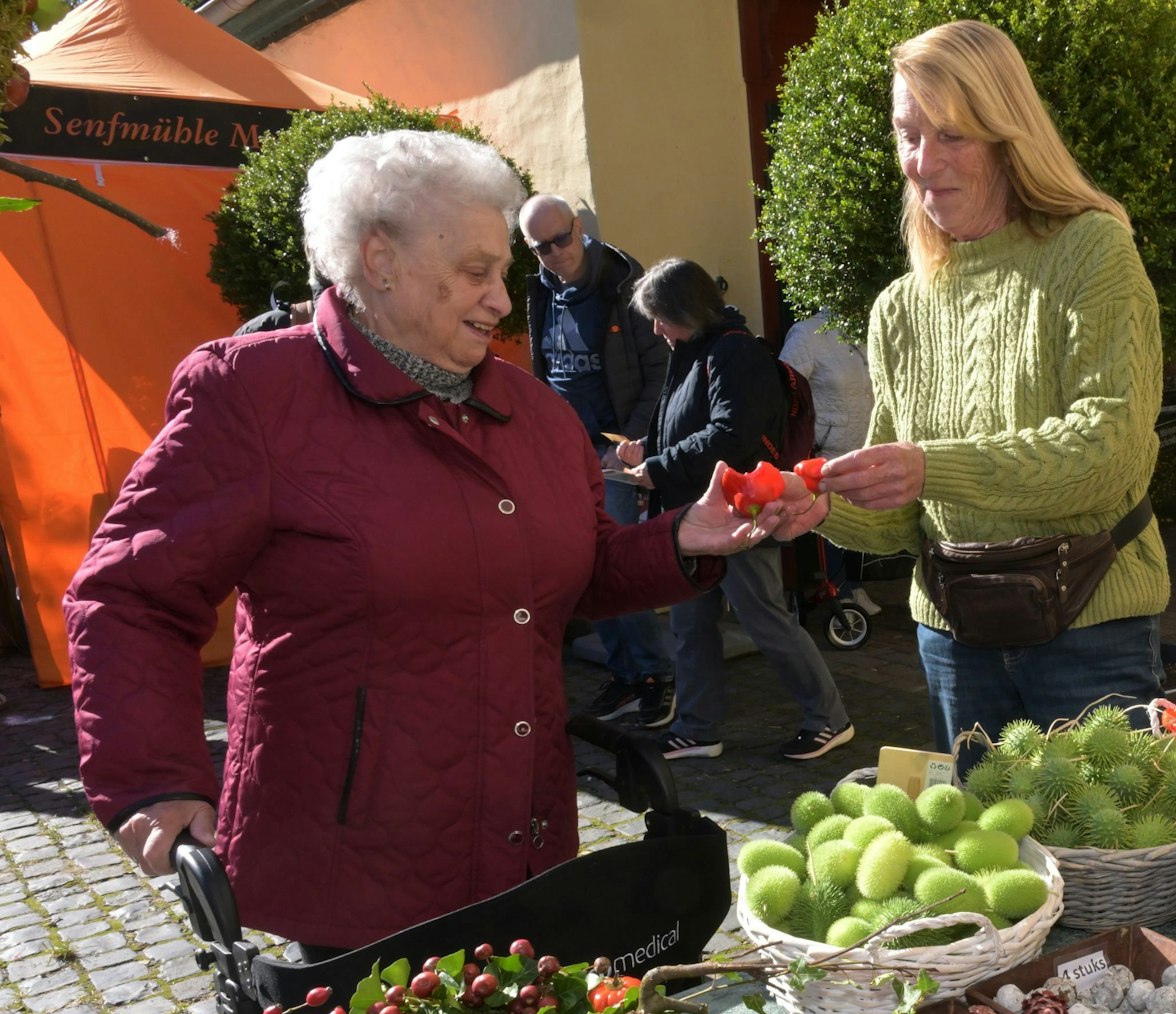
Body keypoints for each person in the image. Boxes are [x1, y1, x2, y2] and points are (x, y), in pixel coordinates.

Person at [63, 130, 806, 955]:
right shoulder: (254, 395)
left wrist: (681, 538)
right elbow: (126, 591)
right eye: (476, 272)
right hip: (357, 868)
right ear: (379, 260)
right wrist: (152, 780)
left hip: (524, 846)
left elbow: (578, 570)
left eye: (504, 272)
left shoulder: (537, 416)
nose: (500, 299)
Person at [776, 19, 1167, 755]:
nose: (923, 162)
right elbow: (906, 522)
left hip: (1090, 627)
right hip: (954, 638)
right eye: (907, 134)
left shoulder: (1092, 250)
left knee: (1106, 866)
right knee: (985, 863)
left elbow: (1110, 449)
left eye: (951, 135)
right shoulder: (899, 307)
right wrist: (820, 508)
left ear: (1007, 133)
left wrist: (932, 464)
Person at [614, 259, 855, 763]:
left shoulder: (734, 352)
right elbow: (694, 425)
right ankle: (698, 729)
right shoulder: (694, 349)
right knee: (690, 625)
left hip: (741, 513)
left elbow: (732, 435)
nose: (655, 329)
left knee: (765, 619)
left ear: (686, 309)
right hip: (690, 516)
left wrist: (658, 465)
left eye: (660, 316)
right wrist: (648, 449)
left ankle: (829, 719)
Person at [522, 194, 675, 727]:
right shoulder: (541, 289)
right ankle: (627, 674)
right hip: (565, 451)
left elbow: (661, 369)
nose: (553, 253)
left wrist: (629, 439)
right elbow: (546, 369)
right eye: (539, 247)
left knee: (617, 564)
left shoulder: (623, 287)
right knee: (582, 565)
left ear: (579, 227)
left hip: (613, 450)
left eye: (560, 239)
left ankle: (656, 676)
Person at [778, 310, 879, 614]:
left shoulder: (860, 332)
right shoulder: (806, 334)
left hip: (861, 446)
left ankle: (856, 586)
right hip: (827, 448)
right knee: (832, 517)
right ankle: (840, 590)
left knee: (861, 517)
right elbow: (785, 389)